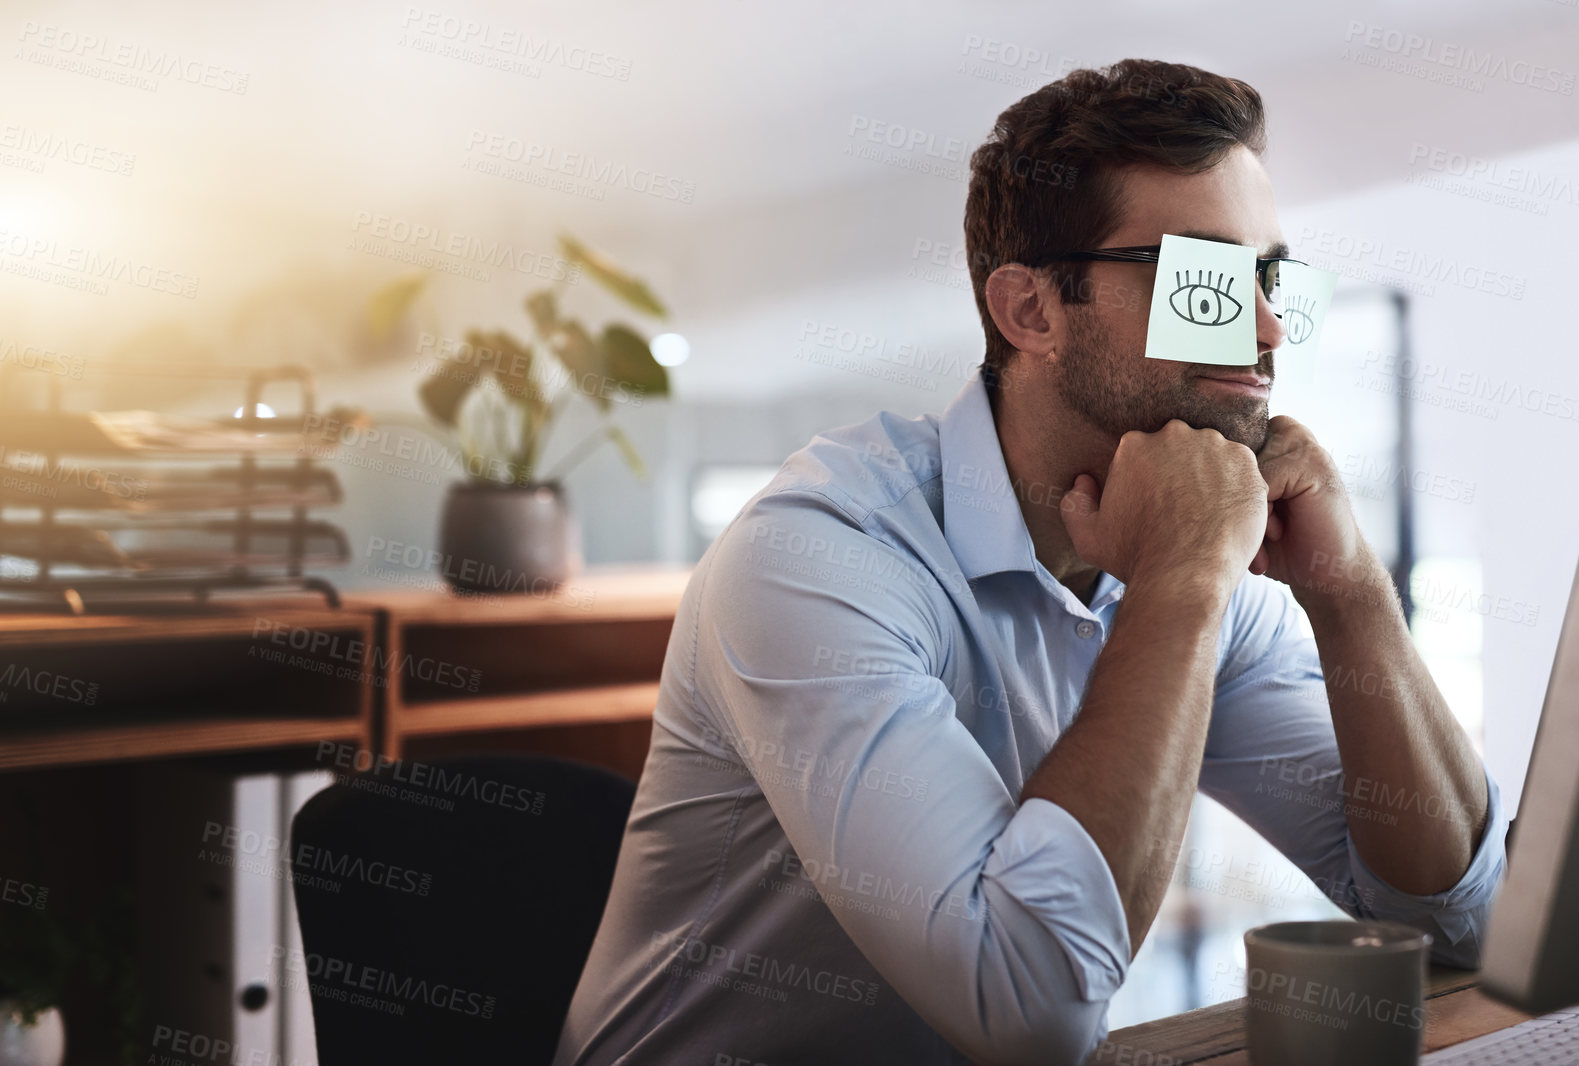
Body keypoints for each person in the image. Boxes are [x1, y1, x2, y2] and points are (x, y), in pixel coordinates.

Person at [554, 57, 1507, 1066]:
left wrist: (1349, 593)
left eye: (1271, 278)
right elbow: (1032, 1014)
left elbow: (1467, 922)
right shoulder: (813, 560)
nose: (1268, 329)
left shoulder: (1213, 556)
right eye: (1206, 281)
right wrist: (1182, 579)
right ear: (1032, 312)